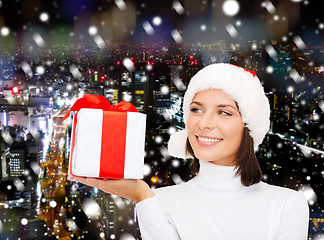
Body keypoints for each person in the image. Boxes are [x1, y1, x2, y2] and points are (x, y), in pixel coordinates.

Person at [68, 63, 309, 240]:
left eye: (224, 112)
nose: (204, 123)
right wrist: (142, 197)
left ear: (249, 127)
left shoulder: (287, 205)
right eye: (196, 109)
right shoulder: (158, 202)